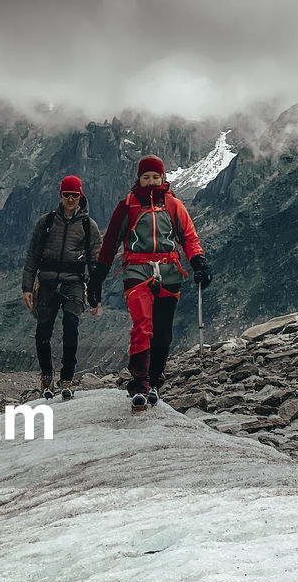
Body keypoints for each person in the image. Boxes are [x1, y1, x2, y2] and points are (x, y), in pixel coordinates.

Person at [86, 155, 212, 412]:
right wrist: (96, 280)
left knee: (163, 333)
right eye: (146, 177)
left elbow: (189, 237)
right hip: (136, 271)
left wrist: (199, 263)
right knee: (143, 326)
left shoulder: (174, 204)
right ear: (139, 179)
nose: (152, 182)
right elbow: (109, 244)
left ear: (163, 178)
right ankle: (140, 386)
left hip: (170, 271)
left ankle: (155, 383)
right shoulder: (127, 206)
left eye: (156, 177)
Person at [22, 175, 103, 399]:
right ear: (61, 195)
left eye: (74, 195)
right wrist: (27, 288)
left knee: (71, 324)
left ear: (80, 196)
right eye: (66, 194)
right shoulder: (46, 222)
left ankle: (67, 378)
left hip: (74, 283)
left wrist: (95, 296)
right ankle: (47, 375)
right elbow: (32, 256)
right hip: (46, 282)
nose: (70, 199)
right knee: (43, 331)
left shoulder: (89, 226)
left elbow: (95, 263)